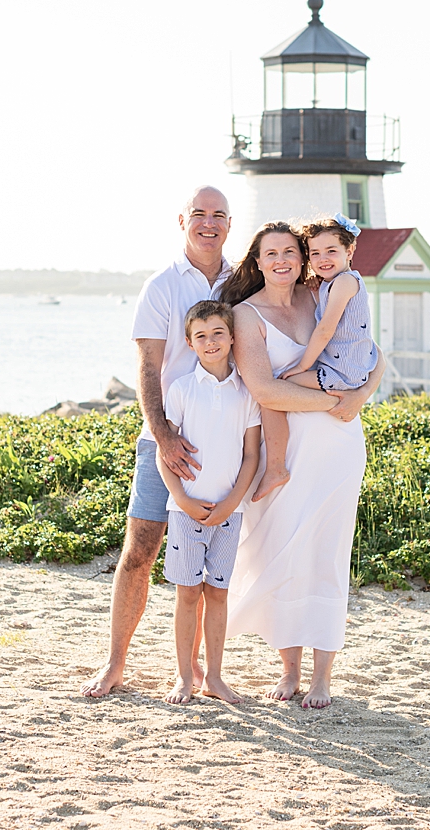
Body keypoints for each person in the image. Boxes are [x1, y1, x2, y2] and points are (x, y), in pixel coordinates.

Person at [221, 222, 386, 708]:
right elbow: (265, 390)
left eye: (289, 252)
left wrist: (357, 398)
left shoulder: (324, 294)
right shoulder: (244, 315)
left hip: (338, 446)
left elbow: (373, 355)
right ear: (257, 260)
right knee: (282, 551)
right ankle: (289, 669)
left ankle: (322, 678)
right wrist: (333, 400)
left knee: (327, 555)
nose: (281, 260)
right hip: (285, 452)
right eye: (270, 253)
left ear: (304, 257)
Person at [79, 186, 233, 699]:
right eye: (199, 215)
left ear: (229, 224)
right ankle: (115, 661)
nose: (208, 223)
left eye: (218, 215)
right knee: (140, 549)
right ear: (183, 221)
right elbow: (147, 367)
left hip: (224, 442)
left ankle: (191, 673)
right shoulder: (161, 285)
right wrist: (164, 433)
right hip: (163, 441)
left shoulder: (242, 283)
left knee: (208, 565)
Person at [155, 300, 262, 705]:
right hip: (185, 512)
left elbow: (251, 455)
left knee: (217, 594)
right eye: (201, 336)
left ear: (232, 337)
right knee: (187, 593)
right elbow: (165, 452)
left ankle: (214, 678)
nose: (211, 341)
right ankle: (185, 677)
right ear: (189, 342)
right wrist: (181, 498)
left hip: (229, 512)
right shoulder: (181, 389)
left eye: (218, 333)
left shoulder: (246, 393)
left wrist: (233, 500)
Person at [257, 214, 378, 466]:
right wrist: (319, 284)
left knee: (276, 389)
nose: (323, 259)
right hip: (350, 365)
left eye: (331, 251)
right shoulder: (331, 283)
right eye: (315, 253)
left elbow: (324, 330)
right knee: (276, 391)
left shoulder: (344, 282)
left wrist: (301, 367)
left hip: (341, 372)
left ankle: (275, 466)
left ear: (350, 250)